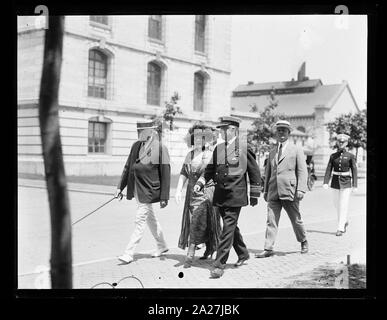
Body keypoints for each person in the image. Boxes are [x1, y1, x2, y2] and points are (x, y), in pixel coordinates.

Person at [194, 116, 263, 278]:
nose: (221, 132)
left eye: (224, 129)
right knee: (231, 227)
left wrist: (254, 194)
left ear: (233, 130)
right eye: (221, 129)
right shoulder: (219, 149)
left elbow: (254, 172)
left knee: (227, 229)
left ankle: (219, 264)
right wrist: (200, 182)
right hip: (220, 194)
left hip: (235, 195)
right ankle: (243, 253)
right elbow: (210, 170)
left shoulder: (244, 147)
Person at [115, 120, 170, 264]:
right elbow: (128, 167)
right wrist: (120, 187)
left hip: (150, 190)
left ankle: (128, 253)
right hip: (137, 189)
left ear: (151, 131)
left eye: (142, 131)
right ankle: (162, 245)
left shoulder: (160, 148)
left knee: (140, 220)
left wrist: (164, 196)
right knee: (150, 219)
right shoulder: (136, 146)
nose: (140, 134)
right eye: (138, 131)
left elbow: (165, 172)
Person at [256, 120, 309, 258]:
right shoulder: (272, 151)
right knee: (271, 220)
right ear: (276, 133)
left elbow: (303, 171)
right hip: (273, 191)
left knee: (295, 219)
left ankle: (303, 240)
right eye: (279, 131)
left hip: (290, 191)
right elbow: (268, 173)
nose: (281, 133)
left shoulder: (296, 149)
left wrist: (301, 189)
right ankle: (268, 248)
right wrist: (266, 190)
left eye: (284, 131)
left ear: (289, 133)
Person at [175, 123, 221, 267]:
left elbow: (213, 174)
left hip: (206, 193)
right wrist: (178, 189)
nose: (199, 140)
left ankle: (195, 251)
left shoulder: (211, 153)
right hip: (191, 193)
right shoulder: (190, 155)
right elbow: (184, 173)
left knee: (202, 221)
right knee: (195, 221)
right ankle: (202, 249)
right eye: (196, 137)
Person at [323, 133, 358, 236]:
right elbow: (329, 169)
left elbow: (354, 170)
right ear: (337, 143)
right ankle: (344, 220)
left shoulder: (350, 156)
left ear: (346, 143)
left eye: (343, 142)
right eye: (339, 142)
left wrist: (355, 184)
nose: (341, 143)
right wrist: (325, 182)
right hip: (334, 182)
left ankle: (340, 227)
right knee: (336, 204)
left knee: (343, 205)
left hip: (346, 182)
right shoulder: (333, 156)